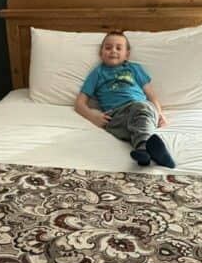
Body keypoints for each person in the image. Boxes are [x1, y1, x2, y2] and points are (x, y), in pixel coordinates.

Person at [75, 30, 175, 167]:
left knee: (142, 111)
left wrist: (159, 113)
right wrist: (93, 116)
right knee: (135, 127)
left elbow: (152, 96)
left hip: (141, 108)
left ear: (127, 54)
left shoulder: (134, 69)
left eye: (118, 48)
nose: (113, 51)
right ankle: (149, 150)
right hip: (116, 115)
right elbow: (79, 103)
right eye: (108, 48)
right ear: (101, 52)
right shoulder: (97, 73)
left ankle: (143, 150)